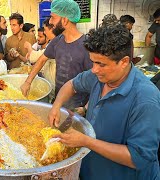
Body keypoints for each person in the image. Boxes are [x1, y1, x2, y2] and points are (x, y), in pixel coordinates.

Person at [49, 24, 160, 180]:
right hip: (91, 171)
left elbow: (139, 158)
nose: (94, 69)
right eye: (93, 62)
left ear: (124, 62)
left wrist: (86, 141)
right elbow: (72, 85)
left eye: (101, 64)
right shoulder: (98, 77)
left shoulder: (145, 99)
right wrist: (56, 106)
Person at [21, 0, 92, 109]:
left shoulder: (87, 46)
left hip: (78, 107)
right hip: (59, 103)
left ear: (65, 20)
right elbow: (41, 60)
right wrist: (28, 82)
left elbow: (97, 81)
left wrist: (85, 108)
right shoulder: (57, 41)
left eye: (53, 17)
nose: (50, 21)